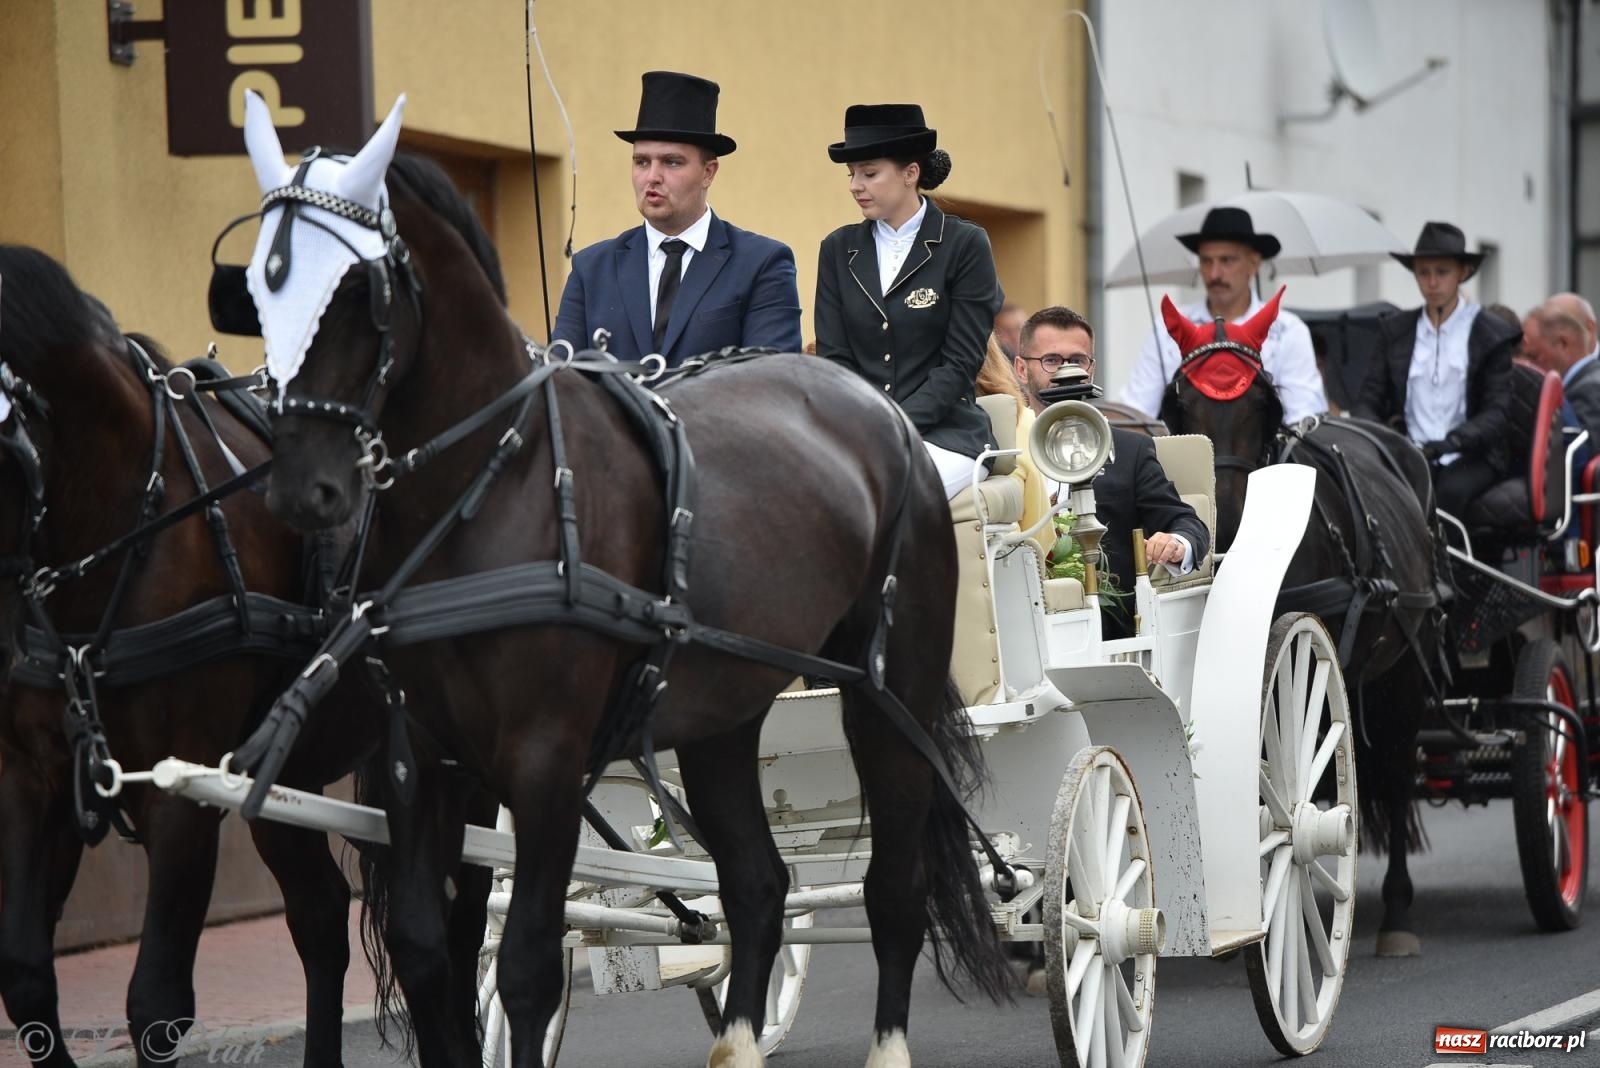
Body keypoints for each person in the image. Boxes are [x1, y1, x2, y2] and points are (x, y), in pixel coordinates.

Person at [814, 103, 1002, 500]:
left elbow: (959, 365)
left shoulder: (964, 244)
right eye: (851, 175)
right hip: (860, 432)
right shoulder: (837, 248)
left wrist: (893, 424)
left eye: (869, 173)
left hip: (947, 436)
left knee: (885, 489)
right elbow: (835, 360)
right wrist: (863, 428)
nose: (854, 185)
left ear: (910, 173)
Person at [552, 71, 802, 365]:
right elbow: (561, 379)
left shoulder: (762, 263)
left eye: (671, 162)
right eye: (641, 162)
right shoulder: (590, 268)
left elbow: (771, 380)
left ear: (708, 173)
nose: (652, 177)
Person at [1021, 305, 1209, 599]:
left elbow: (1185, 522)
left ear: (1091, 369)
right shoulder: (1001, 447)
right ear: (1022, 369)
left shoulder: (1130, 450)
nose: (1066, 371)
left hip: (1109, 629)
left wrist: (1175, 543)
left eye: (1077, 360)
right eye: (1051, 360)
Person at [1351, 221, 1520, 519]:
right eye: (1423, 273)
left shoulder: (1490, 333)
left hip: (1472, 455)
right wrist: (1385, 438)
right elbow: (1368, 398)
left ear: (1462, 273)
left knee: (1445, 495)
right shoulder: (1396, 331)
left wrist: (1453, 442)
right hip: (1408, 451)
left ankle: (1444, 566)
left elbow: (1498, 411)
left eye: (1442, 272)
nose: (1432, 283)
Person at [1119, 206, 1325, 423]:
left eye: (1227, 260)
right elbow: (1137, 412)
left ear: (1253, 263)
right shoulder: (1166, 329)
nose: (1214, 273)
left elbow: (1304, 417)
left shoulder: (1288, 330)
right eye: (1206, 261)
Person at [1537, 300, 1600, 439]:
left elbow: (1581, 453)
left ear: (1563, 342)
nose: (1533, 363)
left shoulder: (1590, 388)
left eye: (1536, 354)